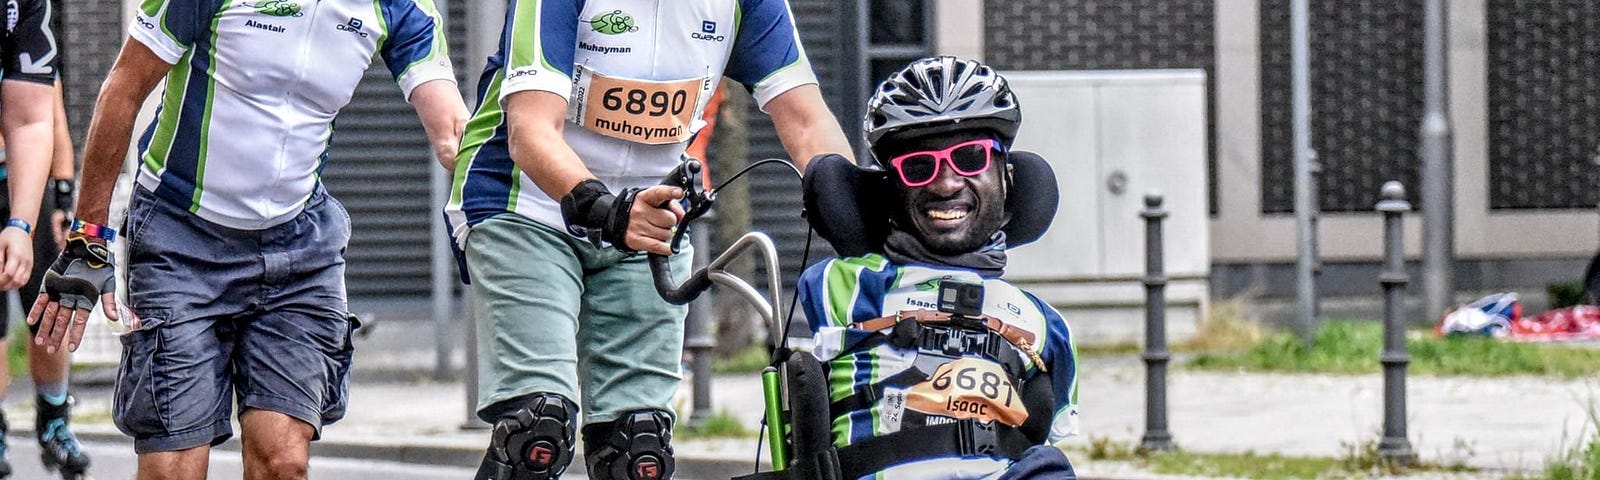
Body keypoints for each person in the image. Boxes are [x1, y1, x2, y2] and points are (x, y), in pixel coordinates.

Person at [26, 1, 469, 479]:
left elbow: (452, 131)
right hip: (181, 237)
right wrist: (89, 237)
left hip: (298, 246)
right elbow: (124, 87)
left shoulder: (402, 6)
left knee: (283, 461)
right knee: (172, 467)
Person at [444, 1, 852, 478]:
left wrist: (869, 220)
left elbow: (805, 119)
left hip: (648, 218)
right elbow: (530, 131)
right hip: (526, 203)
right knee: (537, 428)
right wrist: (609, 210)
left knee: (638, 450)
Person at [795, 56, 1078, 479]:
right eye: (918, 167)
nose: (945, 184)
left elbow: (1048, 429)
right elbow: (806, 129)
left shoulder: (1045, 324)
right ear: (887, 191)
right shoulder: (844, 284)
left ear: (1007, 178)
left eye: (970, 158)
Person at [0, 79, 89, 479]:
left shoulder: (24, 36)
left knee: (50, 312)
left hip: (31, 190)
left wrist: (65, 198)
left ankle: (55, 419)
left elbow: (55, 122)